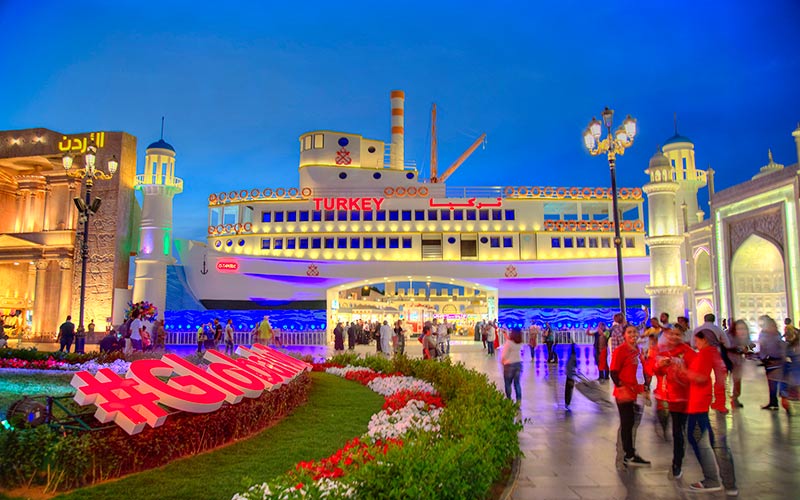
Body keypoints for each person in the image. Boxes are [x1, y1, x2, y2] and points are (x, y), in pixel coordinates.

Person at [649, 327, 696, 478]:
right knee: (668, 422)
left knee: (678, 431)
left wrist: (682, 370)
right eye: (672, 334)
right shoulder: (661, 351)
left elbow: (695, 373)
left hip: (681, 397)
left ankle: (677, 463)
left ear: (682, 336)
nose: (674, 337)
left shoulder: (688, 352)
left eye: (678, 334)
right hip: (664, 396)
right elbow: (653, 370)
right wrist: (660, 365)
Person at [684, 330, 723, 492]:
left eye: (697, 341)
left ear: (705, 340)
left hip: (699, 403)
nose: (696, 344)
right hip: (698, 401)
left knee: (698, 439)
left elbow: (701, 377)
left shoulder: (707, 353)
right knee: (704, 439)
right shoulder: (708, 353)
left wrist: (684, 371)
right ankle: (714, 474)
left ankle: (712, 479)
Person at [610, 323, 650, 468]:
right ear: (624, 335)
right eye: (629, 332)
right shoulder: (621, 350)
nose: (633, 334)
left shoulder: (637, 351)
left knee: (632, 423)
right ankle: (627, 455)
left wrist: (644, 387)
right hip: (624, 393)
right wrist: (622, 387)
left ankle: (629, 452)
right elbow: (613, 372)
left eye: (634, 332)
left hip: (636, 391)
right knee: (627, 424)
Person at [758, 315, 786, 410]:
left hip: (771, 360)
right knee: (776, 382)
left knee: (772, 382)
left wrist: (763, 358)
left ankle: (774, 401)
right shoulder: (776, 333)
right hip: (776, 360)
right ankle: (776, 401)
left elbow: (763, 347)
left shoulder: (764, 334)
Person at [726, 320, 750, 408]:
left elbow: (747, 346)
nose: (741, 331)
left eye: (743, 328)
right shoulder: (729, 335)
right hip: (729, 359)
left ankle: (735, 398)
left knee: (737, 381)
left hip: (738, 360)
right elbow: (728, 346)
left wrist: (745, 349)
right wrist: (740, 349)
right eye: (739, 328)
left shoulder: (744, 337)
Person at [502, 328, 524, 403]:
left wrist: (502, 362)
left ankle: (509, 400)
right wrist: (505, 335)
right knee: (517, 384)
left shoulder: (508, 343)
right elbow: (511, 341)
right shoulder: (520, 343)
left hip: (509, 365)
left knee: (508, 383)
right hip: (518, 364)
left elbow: (504, 355)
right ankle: (519, 401)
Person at [565, 342, 577, 410]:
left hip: (568, 375)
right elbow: (575, 366)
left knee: (567, 390)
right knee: (569, 391)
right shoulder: (574, 357)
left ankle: (567, 403)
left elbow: (568, 366)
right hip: (571, 376)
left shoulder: (570, 357)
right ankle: (568, 403)